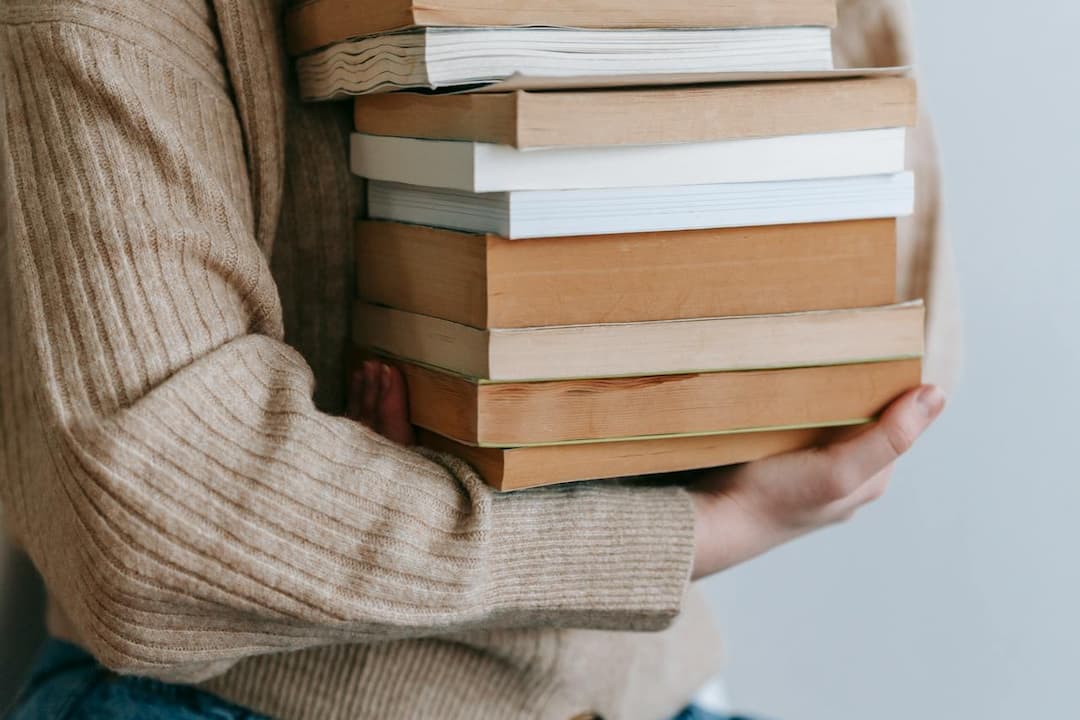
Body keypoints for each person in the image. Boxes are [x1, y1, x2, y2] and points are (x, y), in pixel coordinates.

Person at [0, 0, 958, 718]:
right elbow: (154, 524)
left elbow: (892, 340)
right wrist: (700, 531)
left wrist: (399, 498)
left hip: (653, 694)